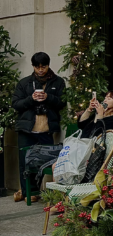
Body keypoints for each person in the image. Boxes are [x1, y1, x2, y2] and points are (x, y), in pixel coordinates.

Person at [11, 52, 67, 202]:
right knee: (25, 162)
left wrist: (48, 98)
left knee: (42, 162)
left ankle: (33, 191)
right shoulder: (24, 83)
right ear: (33, 66)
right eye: (37, 67)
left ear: (48, 65)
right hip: (26, 129)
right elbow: (15, 104)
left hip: (46, 130)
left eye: (44, 66)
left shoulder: (58, 82)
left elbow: (62, 102)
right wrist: (31, 99)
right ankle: (26, 192)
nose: (41, 70)